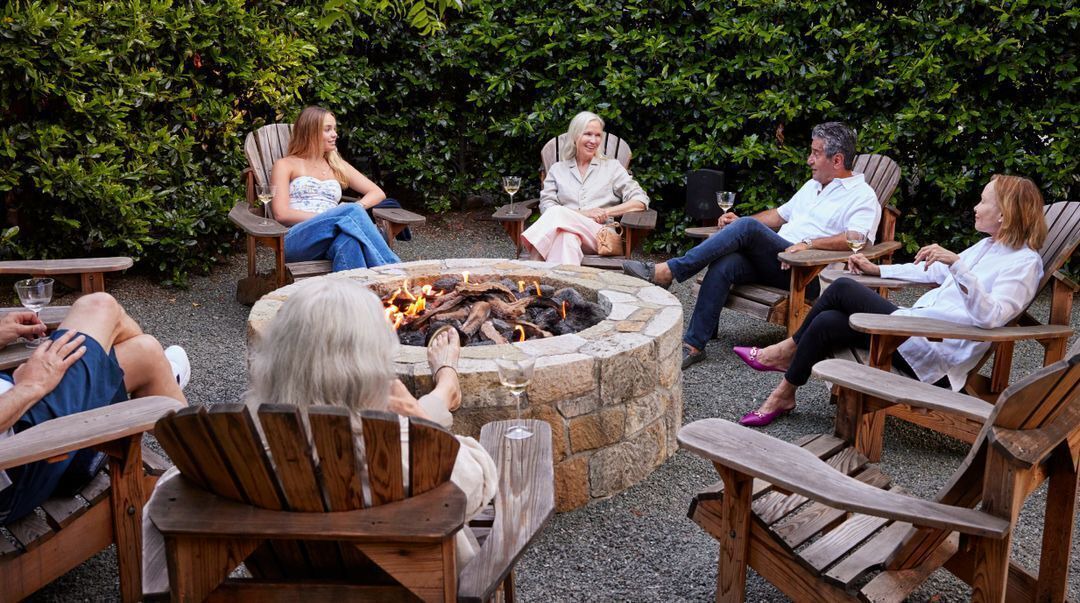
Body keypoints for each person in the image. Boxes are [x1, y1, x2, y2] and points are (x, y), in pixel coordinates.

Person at [735, 174, 1046, 426]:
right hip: (915, 329)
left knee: (843, 288)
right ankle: (784, 394)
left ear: (1004, 214)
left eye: (983, 201)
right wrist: (877, 269)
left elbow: (991, 318)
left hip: (935, 350)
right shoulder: (986, 246)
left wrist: (958, 265)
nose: (976, 207)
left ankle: (784, 351)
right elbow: (931, 271)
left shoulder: (1024, 264)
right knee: (828, 322)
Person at [244, 278, 496, 566]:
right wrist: (421, 419)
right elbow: (476, 489)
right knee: (415, 420)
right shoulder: (391, 449)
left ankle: (442, 394)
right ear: (366, 365)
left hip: (293, 584)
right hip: (412, 584)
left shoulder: (240, 446)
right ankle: (445, 386)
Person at [622, 122, 881, 370]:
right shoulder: (813, 186)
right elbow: (779, 215)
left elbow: (857, 237)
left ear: (837, 160)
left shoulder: (862, 196)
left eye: (815, 154)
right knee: (727, 263)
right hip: (778, 263)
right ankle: (694, 344)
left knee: (746, 228)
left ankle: (669, 271)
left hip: (807, 274)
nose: (809, 160)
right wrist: (738, 223)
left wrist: (808, 244)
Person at [0, 293, 190, 524]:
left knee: (146, 354)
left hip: (15, 414)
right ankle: (210, 468)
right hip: (18, 455)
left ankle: (161, 380)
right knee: (99, 305)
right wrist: (31, 386)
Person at [269, 106, 401, 272]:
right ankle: (395, 271)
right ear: (310, 132)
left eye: (334, 129)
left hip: (334, 235)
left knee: (349, 241)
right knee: (349, 211)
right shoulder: (285, 164)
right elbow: (281, 213)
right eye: (328, 129)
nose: (335, 134)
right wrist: (333, 216)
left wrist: (353, 211)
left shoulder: (336, 165)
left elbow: (377, 193)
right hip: (296, 240)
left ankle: (357, 295)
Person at [521, 111, 650, 265]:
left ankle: (533, 263)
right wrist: (585, 214)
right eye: (588, 134)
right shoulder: (557, 169)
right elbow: (547, 207)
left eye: (598, 135)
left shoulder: (612, 167)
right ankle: (563, 286)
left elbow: (640, 200)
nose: (593, 140)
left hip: (600, 236)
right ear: (575, 136)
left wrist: (606, 212)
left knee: (557, 213)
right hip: (564, 232)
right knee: (566, 237)